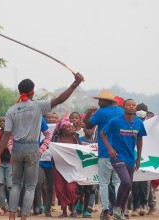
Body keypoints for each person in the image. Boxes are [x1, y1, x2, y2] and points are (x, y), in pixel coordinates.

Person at [0, 72, 84, 220]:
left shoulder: (11, 110)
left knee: (16, 184)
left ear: (20, 92)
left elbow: (7, 135)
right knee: (30, 186)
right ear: (33, 91)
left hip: (16, 149)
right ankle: (24, 217)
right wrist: (75, 84)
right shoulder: (37, 106)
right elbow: (60, 99)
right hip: (32, 148)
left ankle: (12, 216)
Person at [101, 99, 147, 220]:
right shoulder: (115, 121)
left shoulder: (139, 123)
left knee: (129, 185)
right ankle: (116, 207)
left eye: (133, 105)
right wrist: (109, 148)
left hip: (130, 158)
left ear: (135, 108)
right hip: (117, 156)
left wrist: (138, 158)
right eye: (128, 105)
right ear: (124, 107)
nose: (131, 107)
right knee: (125, 181)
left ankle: (120, 210)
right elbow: (102, 133)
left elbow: (140, 140)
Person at [83, 89, 124, 220]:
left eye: (100, 100)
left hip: (105, 152)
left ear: (107, 101)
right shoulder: (121, 111)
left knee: (104, 183)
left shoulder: (101, 112)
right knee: (117, 182)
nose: (99, 102)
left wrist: (89, 113)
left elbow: (88, 125)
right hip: (120, 152)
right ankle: (119, 210)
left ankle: (105, 211)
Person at [52, 118, 81, 218]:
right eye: (67, 127)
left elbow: (80, 150)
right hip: (59, 167)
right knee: (60, 189)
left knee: (71, 188)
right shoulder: (56, 137)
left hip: (72, 167)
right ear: (62, 129)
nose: (70, 128)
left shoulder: (76, 138)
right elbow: (52, 149)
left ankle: (72, 208)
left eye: (71, 126)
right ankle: (64, 211)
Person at [0, 116, 13, 216]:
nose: (2, 122)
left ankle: (12, 206)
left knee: (10, 185)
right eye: (0, 121)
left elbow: (0, 146)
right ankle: (2, 207)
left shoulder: (12, 132)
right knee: (0, 184)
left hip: (10, 161)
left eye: (4, 121)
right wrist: (8, 144)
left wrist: (2, 144)